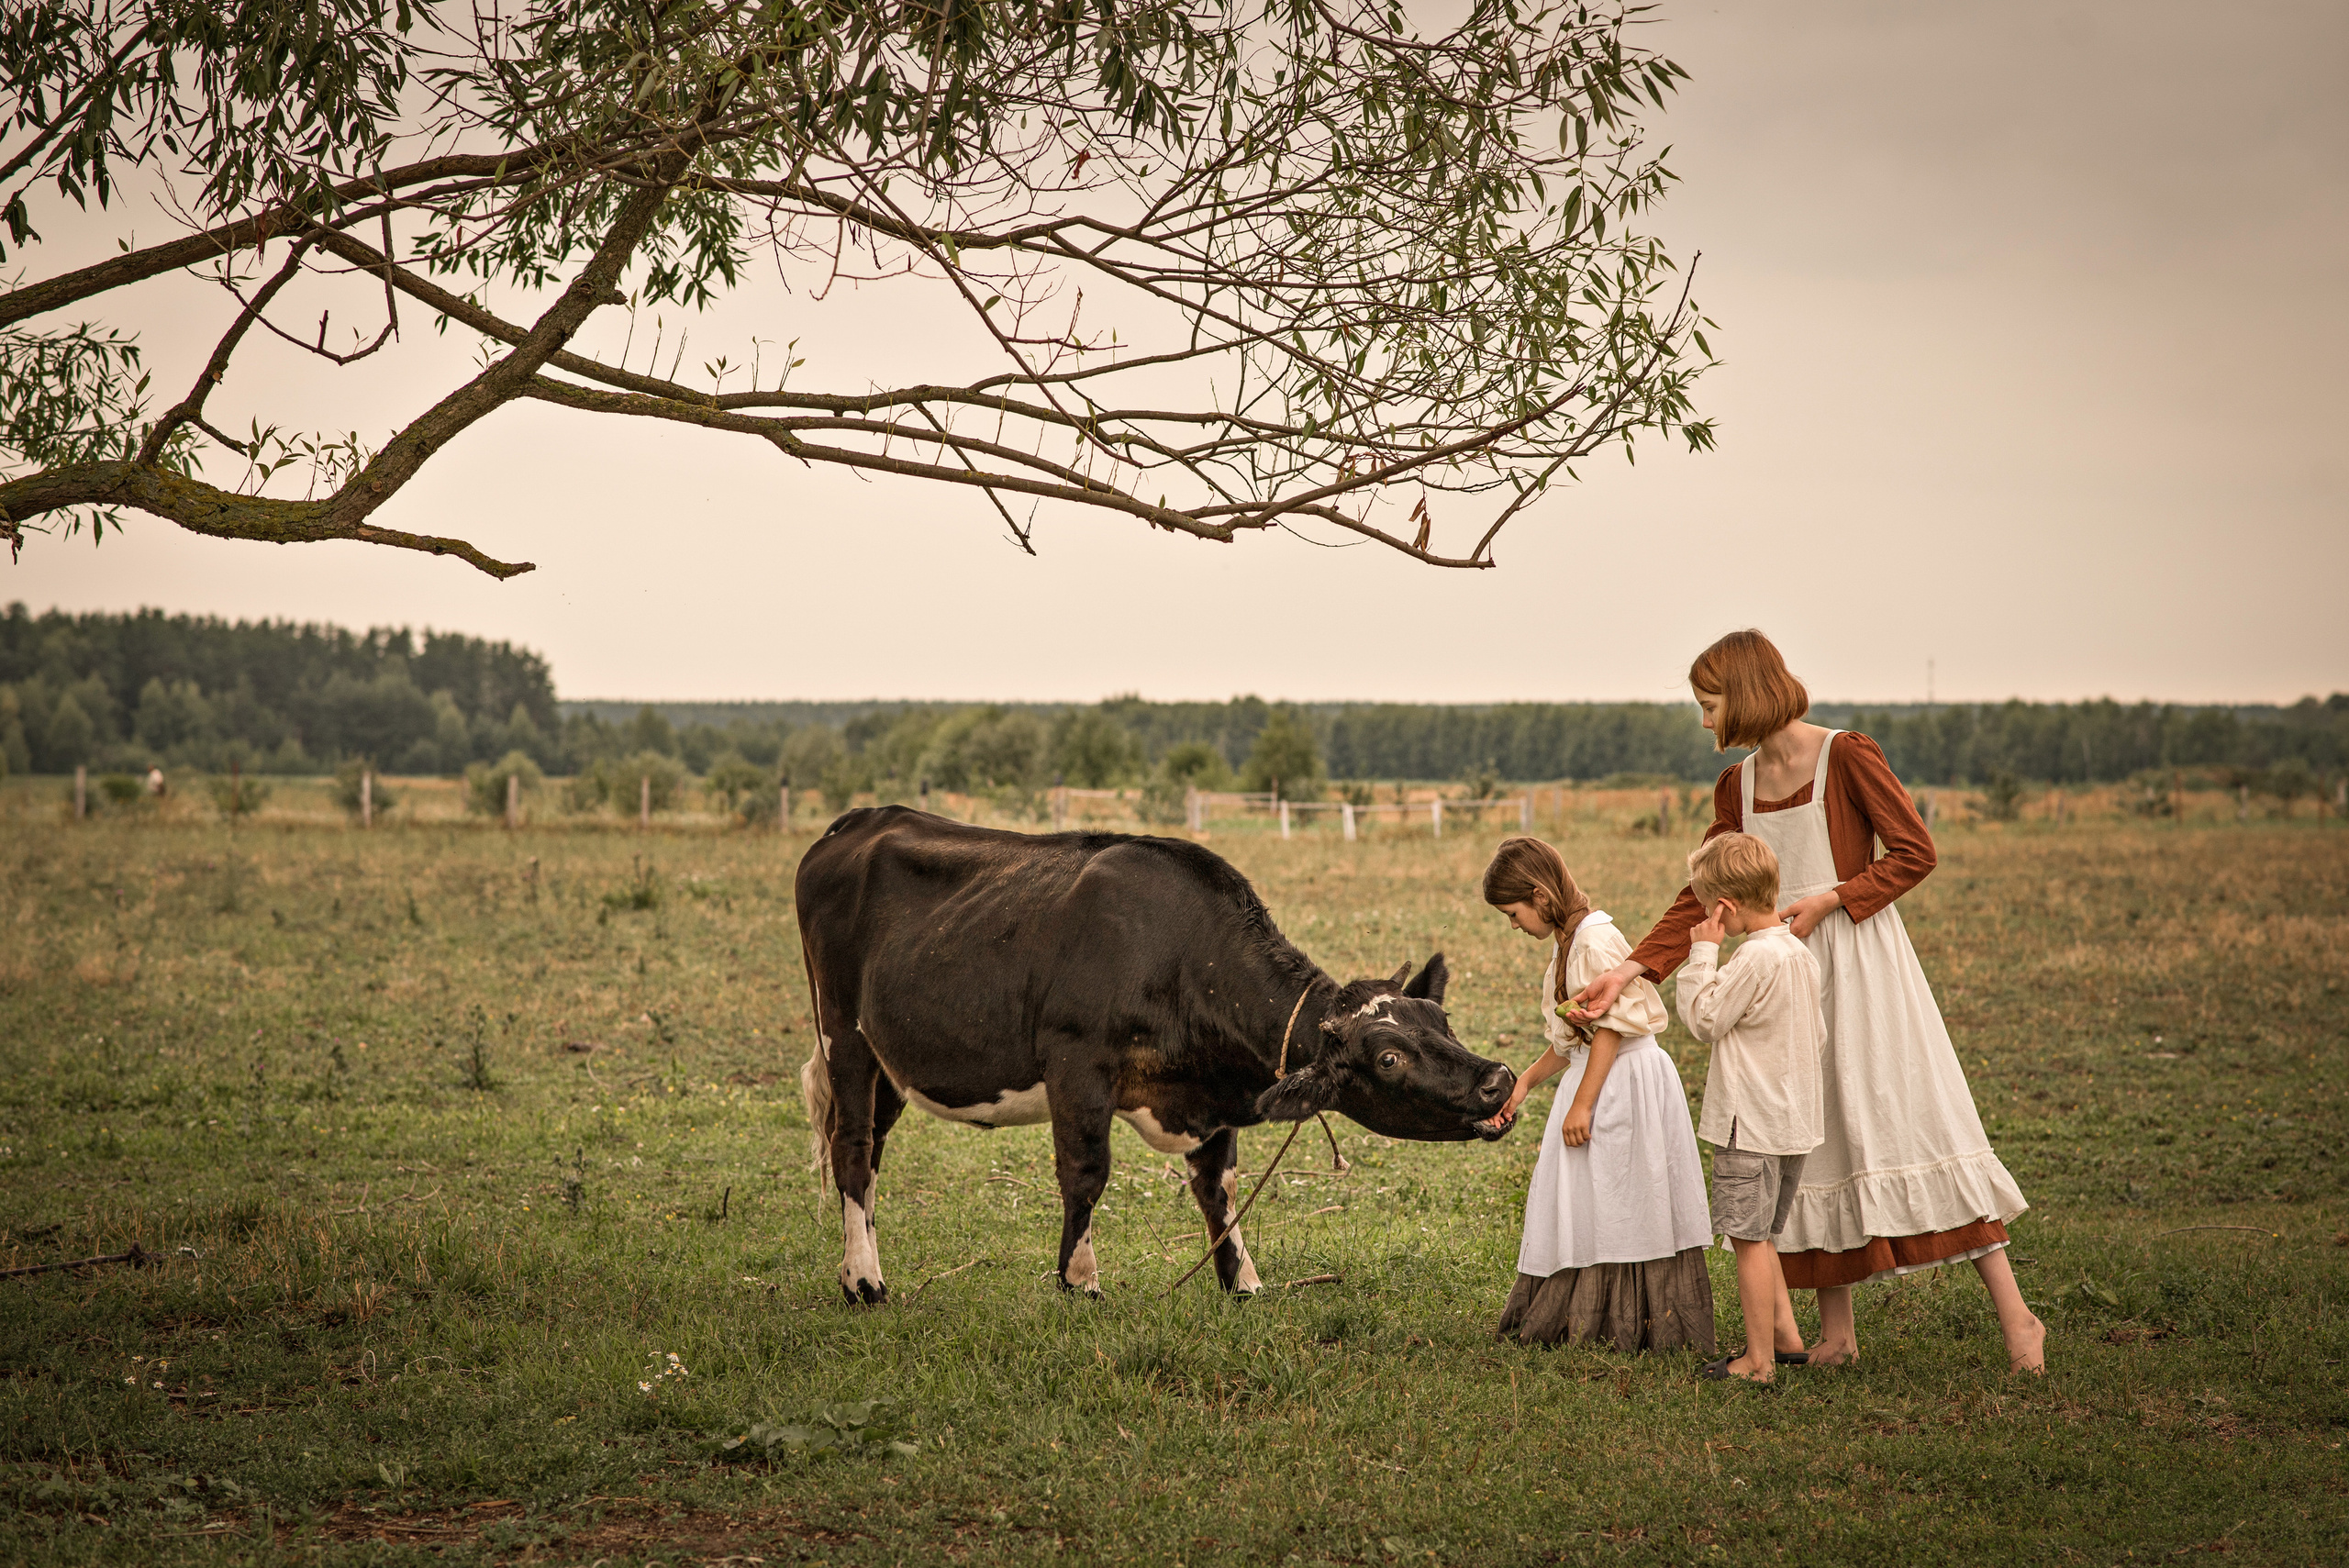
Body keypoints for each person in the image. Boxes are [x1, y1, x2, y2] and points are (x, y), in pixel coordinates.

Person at [1566, 629, 2044, 1373]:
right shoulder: (1738, 787)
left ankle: (2019, 1322)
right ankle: (1837, 1335)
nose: (1703, 722)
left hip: (1858, 963)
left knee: (1909, 1127)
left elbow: (1915, 851)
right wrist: (1628, 970)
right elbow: (1703, 896)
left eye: (1709, 703)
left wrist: (1835, 899)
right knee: (1805, 1144)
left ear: (1745, 693)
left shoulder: (1846, 754)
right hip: (1774, 979)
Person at [1480, 837, 1715, 1352]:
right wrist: (1523, 1084)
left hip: (1622, 1082)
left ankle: (1637, 1321)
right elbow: (1574, 1042)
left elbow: (1612, 1029)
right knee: (1593, 1198)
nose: (1514, 925)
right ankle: (1594, 1314)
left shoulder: (1592, 940)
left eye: (1513, 913)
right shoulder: (1570, 942)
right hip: (1599, 1076)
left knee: (1624, 1197)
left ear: (1540, 897)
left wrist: (1583, 1103)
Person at [1675, 832, 1824, 1384]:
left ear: (1724, 908)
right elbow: (1819, 1037)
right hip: (1792, 1123)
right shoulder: (1798, 955)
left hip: (1749, 1124)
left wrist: (1702, 952)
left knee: (1748, 1240)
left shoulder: (1753, 958)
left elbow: (1704, 1019)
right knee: (1764, 1236)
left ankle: (1757, 1361)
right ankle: (1785, 1338)